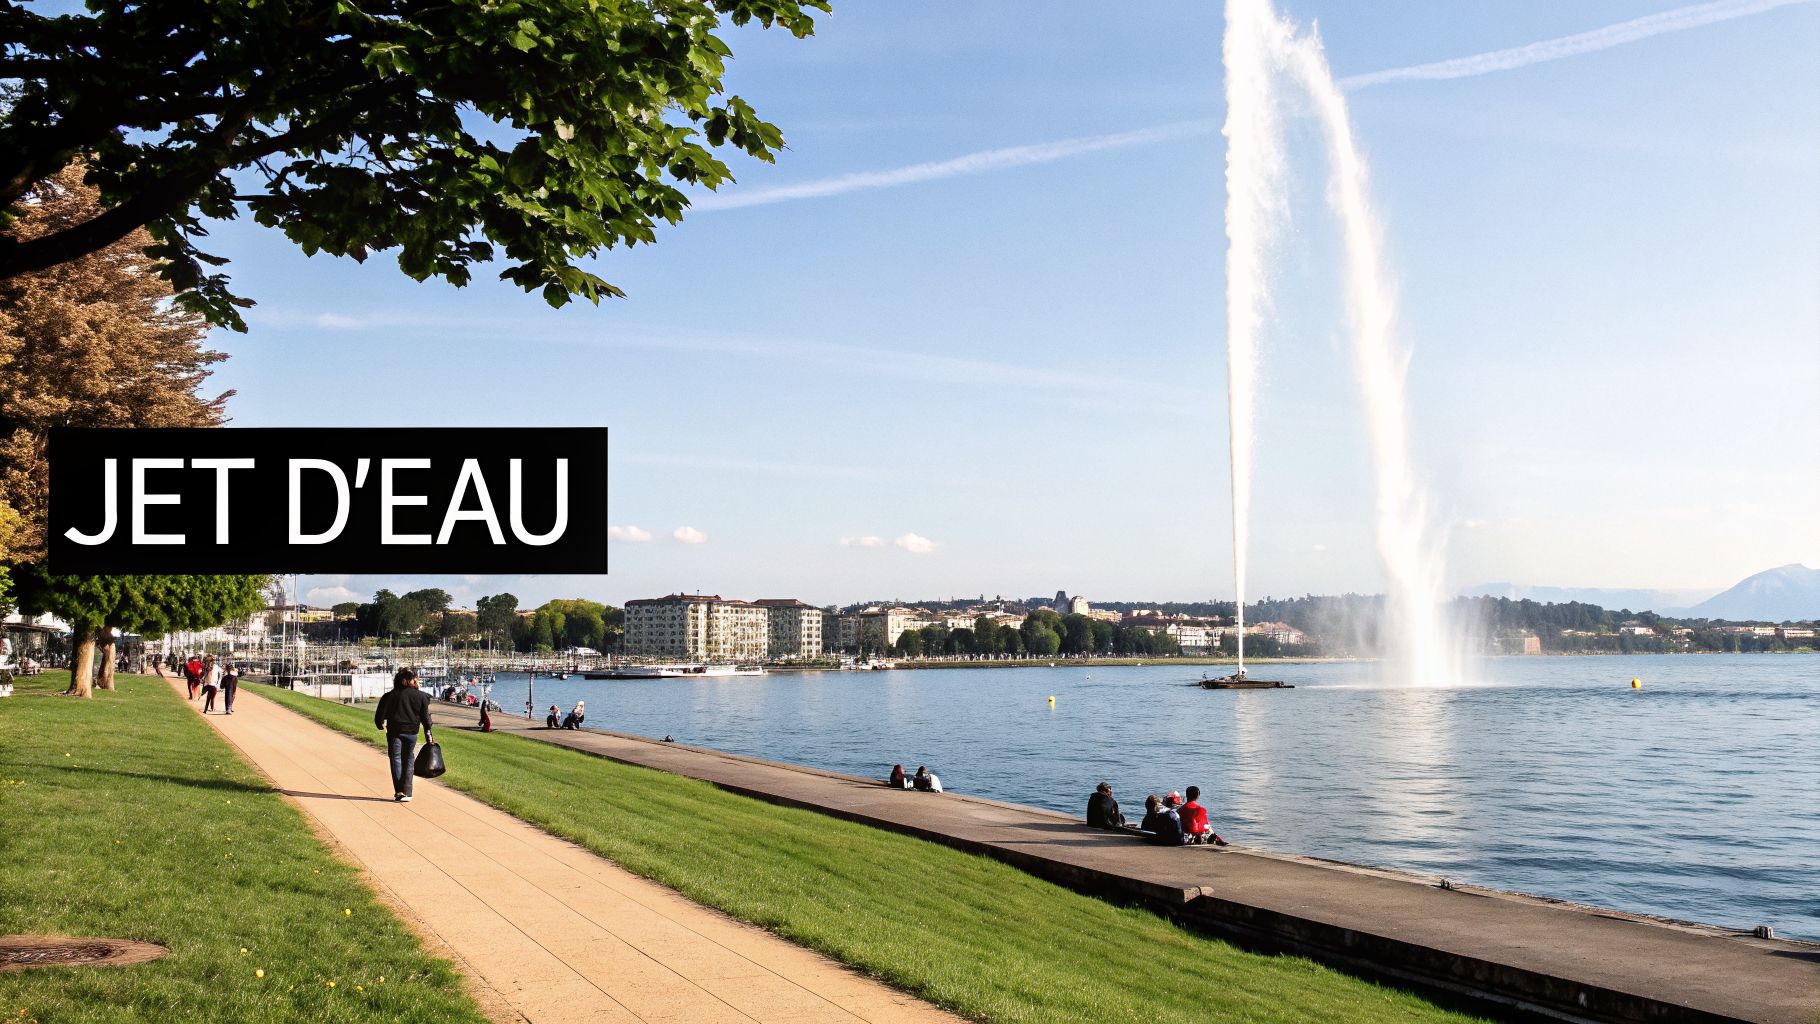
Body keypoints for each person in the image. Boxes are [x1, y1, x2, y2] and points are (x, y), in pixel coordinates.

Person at [374, 668, 433, 803]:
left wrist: (380, 725)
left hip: (394, 732)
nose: (415, 681)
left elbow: (379, 717)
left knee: (396, 759)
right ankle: (408, 791)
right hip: (412, 733)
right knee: (409, 759)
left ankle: (400, 791)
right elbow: (426, 720)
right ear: (406, 680)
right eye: (413, 679)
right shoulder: (422, 697)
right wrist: (429, 737)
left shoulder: (389, 696)